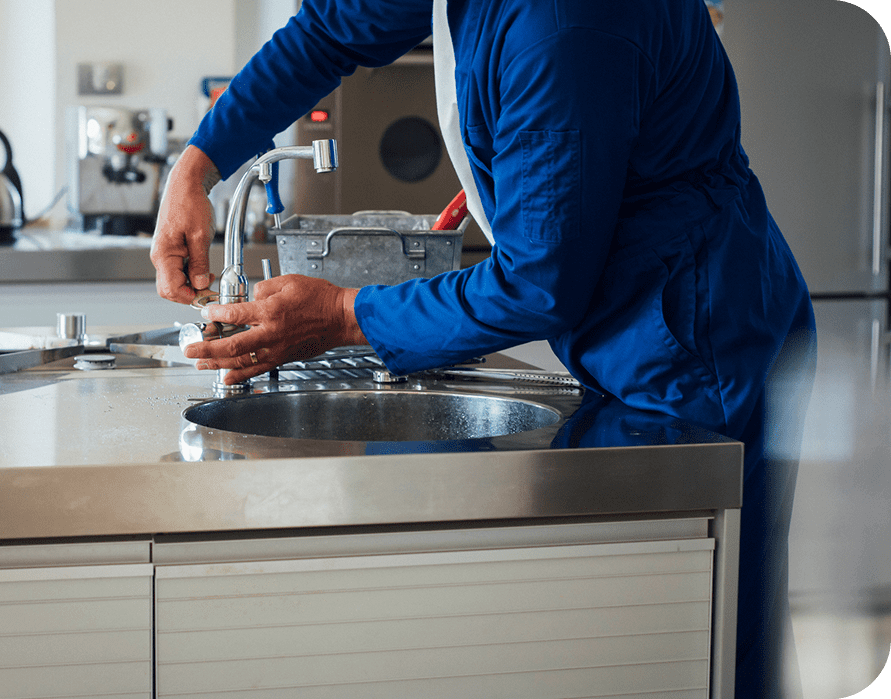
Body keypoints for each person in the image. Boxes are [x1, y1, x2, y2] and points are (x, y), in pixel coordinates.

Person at [150, 1, 816, 696]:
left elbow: (537, 281)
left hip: (700, 342)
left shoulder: (560, 26)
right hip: (638, 322)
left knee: (709, 643)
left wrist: (342, 314)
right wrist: (196, 167)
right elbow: (329, 28)